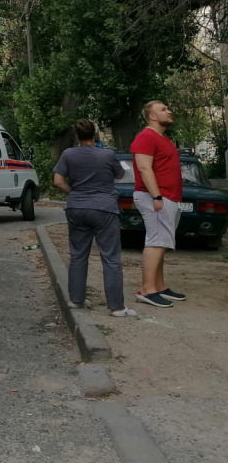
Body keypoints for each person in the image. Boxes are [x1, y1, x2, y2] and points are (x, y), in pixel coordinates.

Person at [53, 119, 136, 317]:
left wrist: (72, 192)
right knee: (111, 257)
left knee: (78, 255)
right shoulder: (107, 154)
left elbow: (57, 181)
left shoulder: (68, 154)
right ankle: (116, 307)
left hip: (76, 207)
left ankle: (76, 300)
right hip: (104, 209)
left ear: (76, 136)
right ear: (95, 135)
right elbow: (119, 175)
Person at [131, 100, 185, 308]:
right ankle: (146, 289)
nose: (169, 111)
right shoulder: (145, 137)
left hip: (168, 197)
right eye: (163, 109)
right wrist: (156, 196)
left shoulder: (163, 139)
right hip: (155, 197)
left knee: (162, 242)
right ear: (152, 116)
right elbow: (144, 169)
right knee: (156, 241)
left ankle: (159, 286)